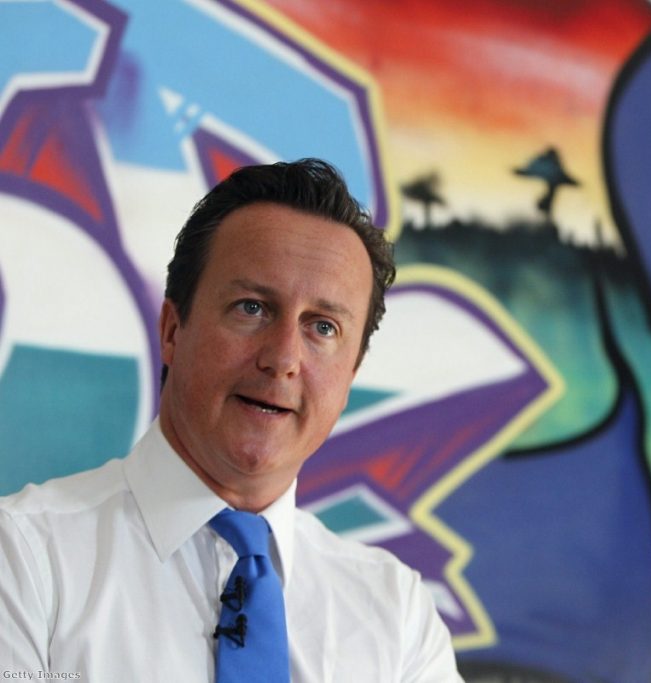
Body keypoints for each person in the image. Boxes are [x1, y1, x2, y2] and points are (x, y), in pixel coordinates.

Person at [0, 158, 464, 681]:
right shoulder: (22, 560)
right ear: (173, 330)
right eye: (252, 308)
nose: (283, 359)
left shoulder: (397, 617)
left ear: (351, 373)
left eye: (323, 328)